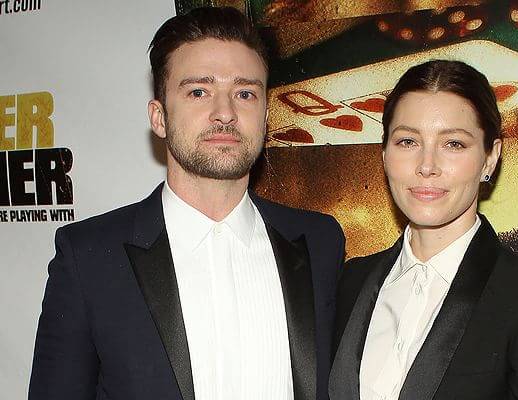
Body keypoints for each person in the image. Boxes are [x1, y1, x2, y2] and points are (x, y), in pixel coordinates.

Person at [28, 7, 345, 400]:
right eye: (199, 92)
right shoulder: (89, 258)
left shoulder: (319, 242)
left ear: (266, 115)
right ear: (159, 117)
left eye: (244, 93)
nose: (225, 113)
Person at [329, 60, 518, 400]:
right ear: (385, 153)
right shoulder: (351, 281)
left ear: (490, 157)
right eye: (408, 141)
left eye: (454, 144)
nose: (427, 166)